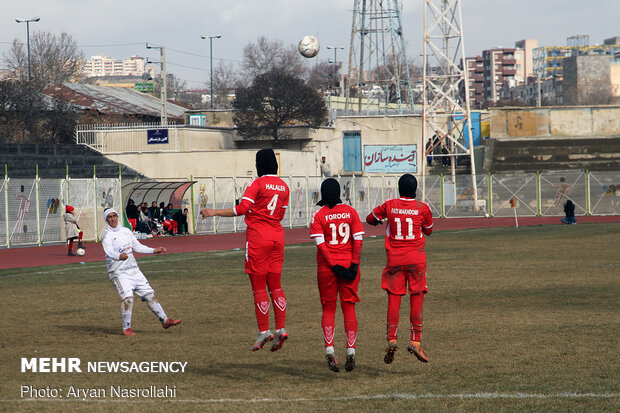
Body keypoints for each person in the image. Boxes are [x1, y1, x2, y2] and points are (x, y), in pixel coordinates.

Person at [200, 148, 290, 352]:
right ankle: (281, 328)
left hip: (259, 237)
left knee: (259, 287)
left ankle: (264, 330)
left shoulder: (257, 183)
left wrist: (213, 211)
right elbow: (281, 214)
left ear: (259, 164)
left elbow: (242, 209)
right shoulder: (284, 186)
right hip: (278, 237)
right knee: (276, 286)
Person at [366, 174, 434, 364]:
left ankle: (392, 338)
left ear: (399, 188)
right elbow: (429, 230)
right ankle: (415, 340)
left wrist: (377, 220)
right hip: (416, 259)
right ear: (415, 189)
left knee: (394, 298)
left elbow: (370, 218)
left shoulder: (389, 205)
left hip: (395, 259)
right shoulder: (423, 207)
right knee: (417, 296)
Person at [310, 178, 364, 372]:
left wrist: (333, 265)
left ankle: (330, 350)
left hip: (327, 269)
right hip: (349, 266)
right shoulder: (351, 212)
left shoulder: (319, 214)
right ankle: (351, 352)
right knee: (349, 309)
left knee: (328, 310)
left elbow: (321, 245)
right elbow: (358, 240)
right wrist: (354, 265)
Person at [101, 208, 181, 336]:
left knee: (150, 295)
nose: (113, 219)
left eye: (114, 216)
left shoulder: (126, 231)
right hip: (118, 272)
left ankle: (165, 320)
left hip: (134, 270)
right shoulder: (106, 235)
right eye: (109, 217)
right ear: (106, 220)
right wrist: (118, 256)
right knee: (128, 299)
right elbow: (109, 251)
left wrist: (154, 250)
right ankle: (126, 329)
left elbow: (137, 246)